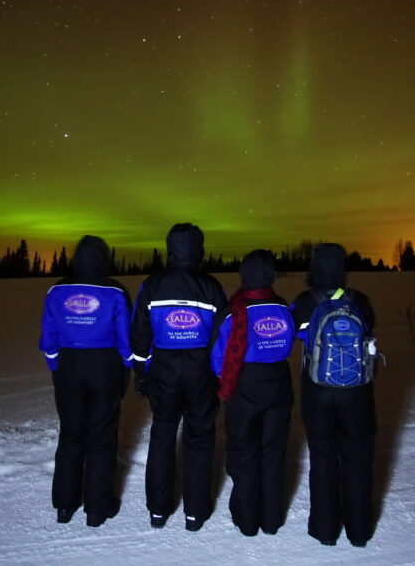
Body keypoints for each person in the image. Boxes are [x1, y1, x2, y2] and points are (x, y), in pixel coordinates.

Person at [130, 223, 227, 531]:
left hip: (164, 373)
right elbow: (222, 335)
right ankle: (195, 513)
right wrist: (219, 375)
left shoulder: (153, 285)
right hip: (200, 373)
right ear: (199, 250)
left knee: (162, 434)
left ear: (170, 249)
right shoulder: (211, 286)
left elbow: (140, 334)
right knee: (199, 439)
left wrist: (141, 372)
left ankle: (157, 510)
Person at [39, 235, 132, 528]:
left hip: (69, 365)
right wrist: (128, 367)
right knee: (102, 436)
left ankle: (64, 506)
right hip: (104, 365)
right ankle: (97, 508)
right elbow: (125, 337)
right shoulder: (114, 291)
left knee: (70, 433)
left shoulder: (57, 289)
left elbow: (49, 333)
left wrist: (56, 365)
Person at [290, 243, 377, 547]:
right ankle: (359, 532)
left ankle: (325, 531)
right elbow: (369, 333)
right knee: (357, 460)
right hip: (357, 394)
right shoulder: (360, 301)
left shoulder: (304, 302)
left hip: (318, 392)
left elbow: (295, 335)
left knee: (323, 458)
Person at [210, 249, 295, 537]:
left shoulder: (234, 310)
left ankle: (247, 520)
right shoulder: (283, 306)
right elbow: (289, 340)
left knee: (244, 453)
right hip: (278, 382)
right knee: (273, 453)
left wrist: (224, 381)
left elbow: (218, 355)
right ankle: (271, 519)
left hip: (245, 384)